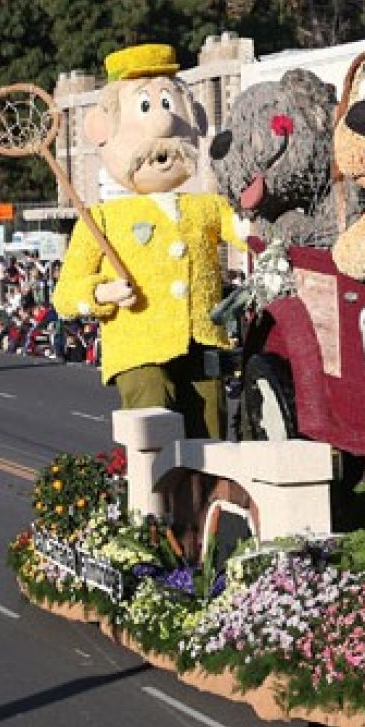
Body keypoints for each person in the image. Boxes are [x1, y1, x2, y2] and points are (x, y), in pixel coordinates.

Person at [53, 43, 245, 438]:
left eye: (168, 105)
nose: (161, 122)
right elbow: (66, 295)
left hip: (203, 341)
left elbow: (246, 234)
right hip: (139, 346)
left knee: (211, 436)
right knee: (153, 433)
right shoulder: (101, 219)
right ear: (101, 130)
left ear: (195, 119)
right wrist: (102, 292)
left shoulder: (207, 206)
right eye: (145, 106)